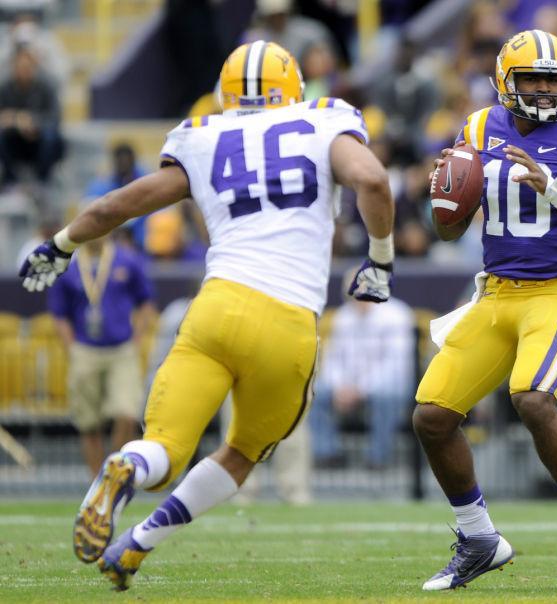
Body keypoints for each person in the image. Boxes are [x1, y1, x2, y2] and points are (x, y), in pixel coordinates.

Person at [18, 40, 395, 590]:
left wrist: (59, 244)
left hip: (215, 308)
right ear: (292, 86)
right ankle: (140, 542)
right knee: (241, 453)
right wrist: (380, 262)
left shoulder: (202, 136)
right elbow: (374, 180)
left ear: (225, 92)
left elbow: (115, 206)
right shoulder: (323, 120)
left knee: (164, 450)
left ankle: (128, 478)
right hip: (287, 321)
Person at [413, 29, 557, 590]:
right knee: (432, 417)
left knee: (532, 399)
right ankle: (479, 537)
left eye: (551, 80)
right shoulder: (480, 128)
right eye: (530, 78)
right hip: (495, 292)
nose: (542, 89)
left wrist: (554, 187)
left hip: (555, 290)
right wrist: (447, 189)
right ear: (504, 82)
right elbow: (445, 231)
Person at [47, 233, 156, 477]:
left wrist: (137, 338)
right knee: (89, 423)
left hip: (121, 347)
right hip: (85, 348)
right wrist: (72, 347)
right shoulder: (70, 266)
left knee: (127, 413)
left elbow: (146, 303)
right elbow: (59, 314)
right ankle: (96, 484)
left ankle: (113, 476)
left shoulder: (127, 260)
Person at [310, 271, 415, 469]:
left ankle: (378, 458)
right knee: (316, 391)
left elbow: (395, 366)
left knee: (387, 395)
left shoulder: (397, 314)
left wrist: (361, 390)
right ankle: (327, 453)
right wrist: (340, 387)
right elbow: (333, 361)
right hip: (347, 386)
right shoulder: (343, 316)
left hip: (389, 384)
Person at [0, 46, 64, 187]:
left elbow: (55, 118)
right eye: (20, 66)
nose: (24, 70)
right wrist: (18, 120)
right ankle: (10, 182)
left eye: (28, 66)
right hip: (14, 140)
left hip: (40, 141)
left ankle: (42, 182)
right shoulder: (5, 87)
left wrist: (33, 123)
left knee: (51, 137)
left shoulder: (47, 85)